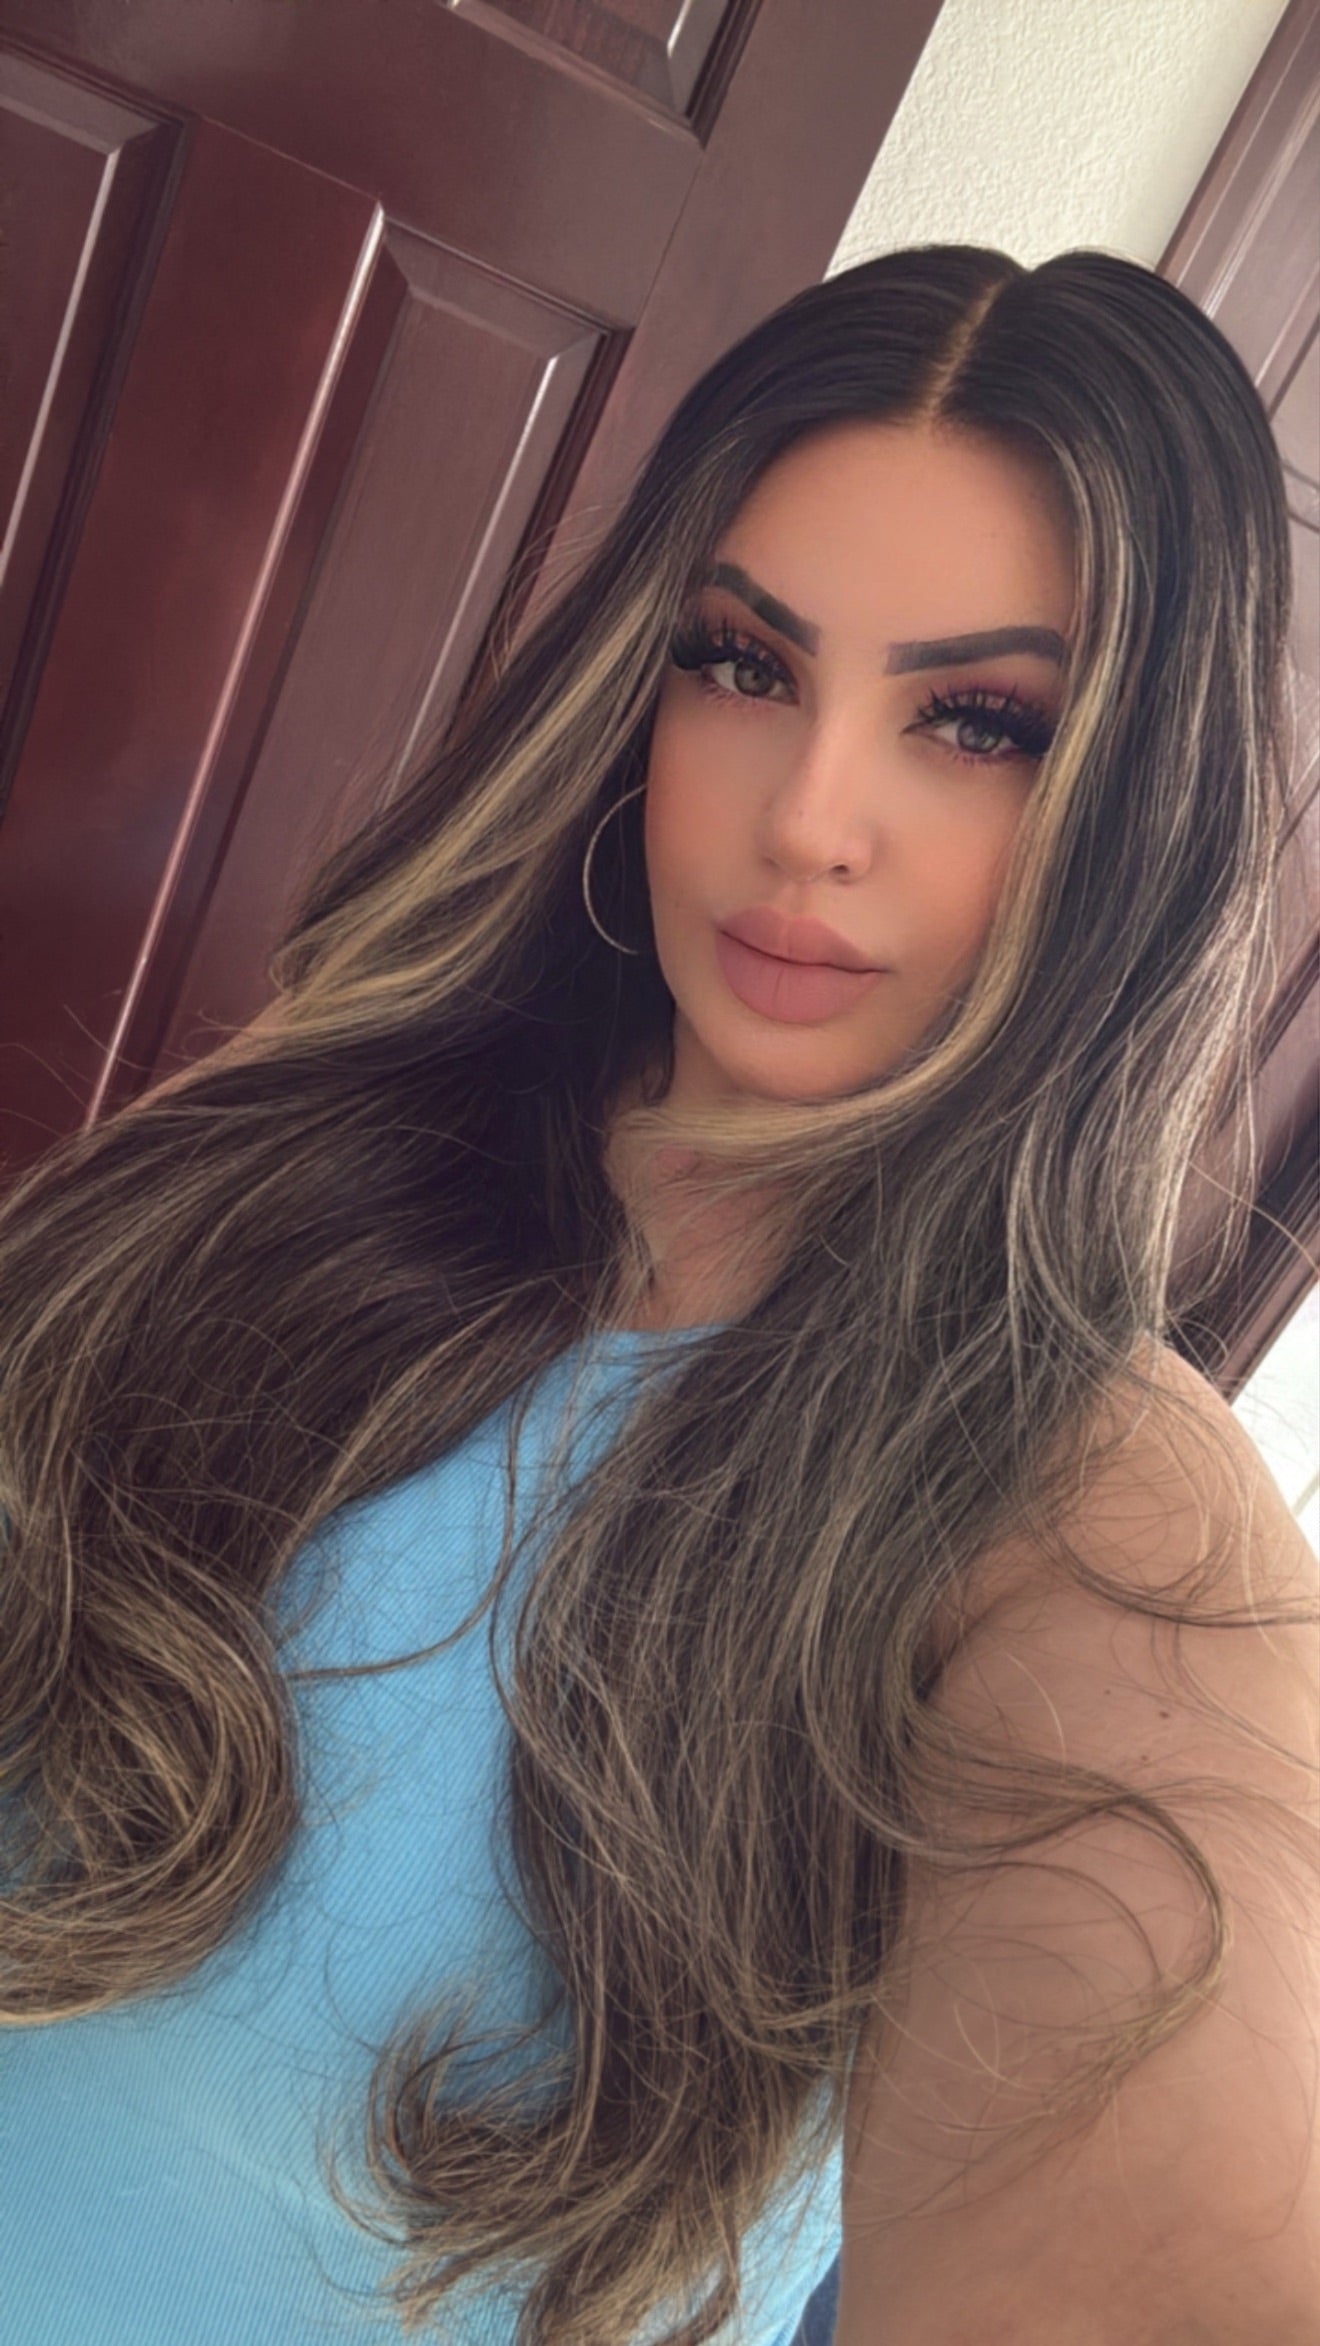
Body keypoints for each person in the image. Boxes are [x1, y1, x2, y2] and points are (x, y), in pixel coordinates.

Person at [0, 244, 1315, 2346]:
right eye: (744, 664)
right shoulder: (304, 1128)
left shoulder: (1096, 1520)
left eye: (978, 721)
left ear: (1137, 816)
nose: (808, 822)